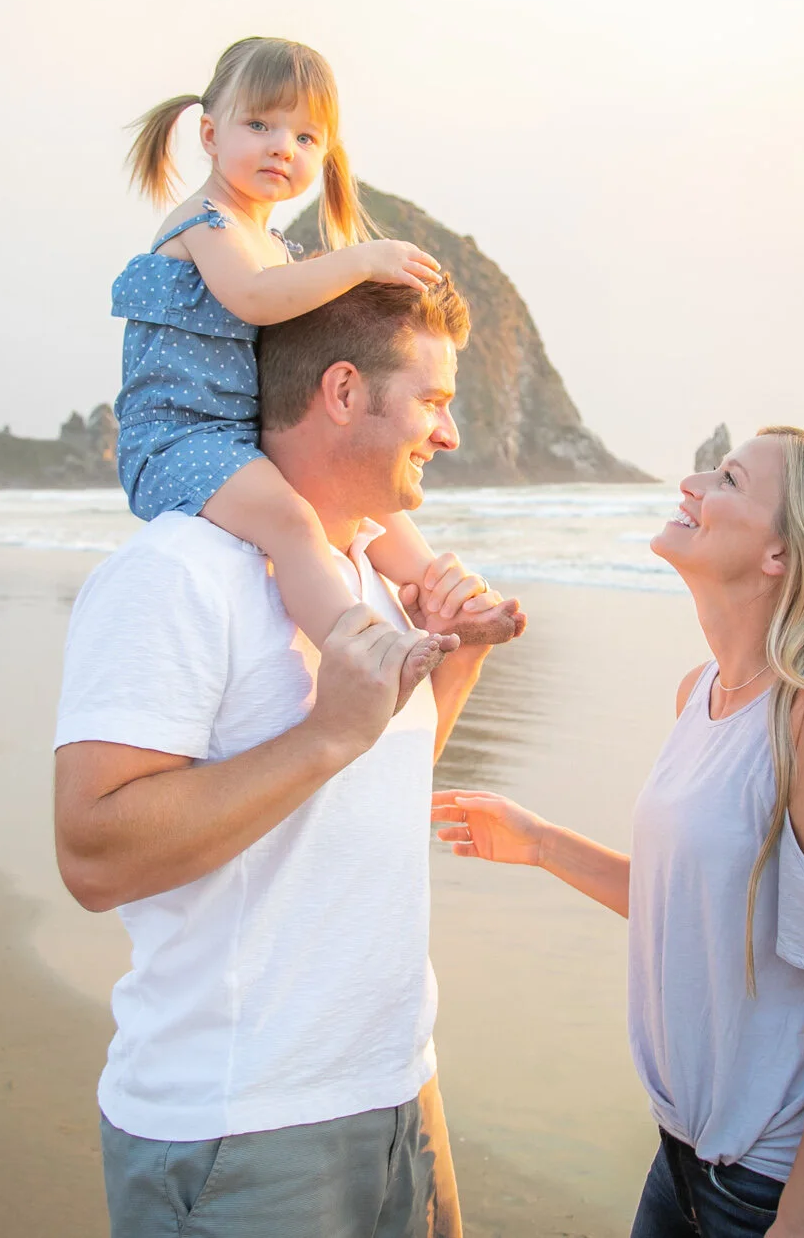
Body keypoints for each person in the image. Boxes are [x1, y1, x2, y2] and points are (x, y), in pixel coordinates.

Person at [54, 275, 524, 1238]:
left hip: (398, 1089)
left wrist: (459, 658)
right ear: (344, 393)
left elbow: (368, 793)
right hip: (242, 1131)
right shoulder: (176, 574)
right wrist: (324, 734)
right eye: (434, 402)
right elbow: (93, 854)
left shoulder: (366, 577)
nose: (450, 434)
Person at [434, 428, 804, 1238]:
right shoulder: (699, 692)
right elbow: (697, 906)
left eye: (729, 477)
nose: (692, 481)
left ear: (781, 553)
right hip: (684, 1169)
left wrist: (803, 1221)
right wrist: (538, 842)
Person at [116, 36, 514, 708]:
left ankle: (441, 590)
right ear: (210, 134)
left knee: (369, 505)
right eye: (260, 125)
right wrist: (360, 262)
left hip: (240, 435)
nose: (282, 148)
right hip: (179, 442)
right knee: (294, 524)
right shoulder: (206, 222)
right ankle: (359, 646)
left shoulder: (278, 248)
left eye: (305, 137)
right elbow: (255, 298)